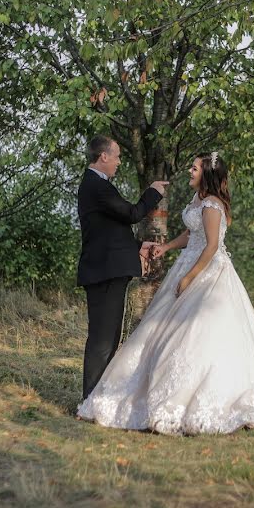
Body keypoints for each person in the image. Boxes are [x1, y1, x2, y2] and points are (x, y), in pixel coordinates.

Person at [77, 151, 254, 434]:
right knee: (162, 332)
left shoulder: (212, 204)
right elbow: (191, 235)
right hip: (186, 266)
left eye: (194, 168)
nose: (189, 171)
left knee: (197, 333)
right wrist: (167, 247)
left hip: (208, 274)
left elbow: (210, 247)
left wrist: (190, 277)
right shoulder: (197, 201)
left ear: (206, 172)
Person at [77, 134, 169, 401]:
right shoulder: (96, 185)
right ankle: (89, 400)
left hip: (108, 269)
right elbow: (131, 214)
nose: (119, 161)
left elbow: (110, 231)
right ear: (103, 156)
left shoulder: (98, 185)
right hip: (103, 272)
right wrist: (153, 192)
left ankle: (98, 397)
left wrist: (136, 246)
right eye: (116, 156)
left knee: (110, 337)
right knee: (102, 341)